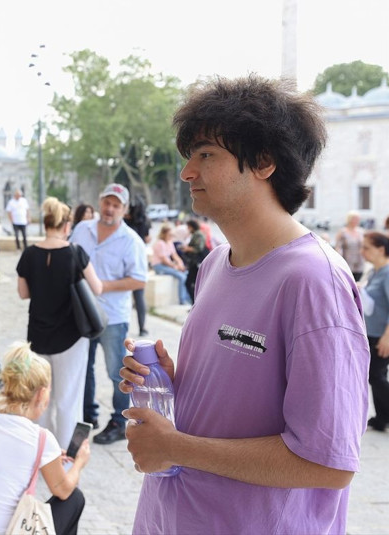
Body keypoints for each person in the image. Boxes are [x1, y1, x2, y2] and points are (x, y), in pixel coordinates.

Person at [120, 75, 369, 534]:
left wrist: (174, 447)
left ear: (264, 162)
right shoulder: (216, 263)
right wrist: (174, 385)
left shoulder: (314, 281)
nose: (187, 172)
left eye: (206, 155)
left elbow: (328, 463)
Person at [0, 343, 89, 535]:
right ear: (41, 394)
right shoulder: (40, 438)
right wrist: (79, 462)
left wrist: (46, 457)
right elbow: (63, 490)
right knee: (74, 499)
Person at [16, 197, 103, 447]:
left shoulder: (29, 254)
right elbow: (96, 288)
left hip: (38, 336)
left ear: (45, 223)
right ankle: (66, 457)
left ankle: (41, 452)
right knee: (68, 401)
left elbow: (23, 293)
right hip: (71, 337)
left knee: (40, 399)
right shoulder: (75, 252)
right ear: (66, 225)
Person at [70, 183, 148, 444]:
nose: (110, 209)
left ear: (124, 210)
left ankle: (118, 421)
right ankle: (88, 416)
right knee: (83, 367)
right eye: (107, 202)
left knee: (116, 372)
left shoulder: (131, 241)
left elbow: (139, 280)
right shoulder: (82, 229)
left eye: (116, 205)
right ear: (100, 202)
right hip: (80, 313)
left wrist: (102, 286)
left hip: (112, 317)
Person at [359, 232, 389, 432]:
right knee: (379, 374)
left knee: (374, 374)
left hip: (384, 336)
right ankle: (383, 417)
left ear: (381, 250)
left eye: (366, 248)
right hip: (373, 334)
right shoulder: (375, 272)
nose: (362, 252)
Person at [125, 196, 152, 337]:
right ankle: (142, 328)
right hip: (139, 259)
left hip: (124, 259)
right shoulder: (145, 221)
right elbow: (147, 238)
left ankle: (121, 325)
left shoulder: (125, 221)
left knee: (121, 295)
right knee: (139, 297)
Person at [150, 223, 191, 305]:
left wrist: (181, 264)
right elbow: (164, 260)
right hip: (159, 266)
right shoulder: (160, 243)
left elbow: (175, 255)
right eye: (169, 234)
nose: (171, 236)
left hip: (166, 265)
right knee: (181, 277)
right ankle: (182, 300)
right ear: (164, 234)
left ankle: (188, 298)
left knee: (186, 274)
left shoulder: (169, 242)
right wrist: (175, 267)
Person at [335, 211, 366, 281]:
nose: (357, 221)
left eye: (358, 219)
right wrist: (338, 260)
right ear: (349, 219)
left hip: (359, 262)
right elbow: (338, 247)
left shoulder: (361, 232)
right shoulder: (343, 232)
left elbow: (365, 246)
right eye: (355, 219)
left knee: (357, 281)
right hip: (347, 262)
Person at [182, 218, 207, 303]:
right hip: (194, 263)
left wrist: (187, 248)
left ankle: (195, 303)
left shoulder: (198, 234)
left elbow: (198, 248)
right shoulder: (196, 234)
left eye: (188, 227)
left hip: (196, 263)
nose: (188, 229)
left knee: (190, 283)